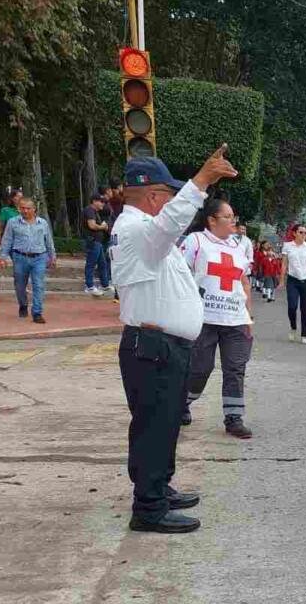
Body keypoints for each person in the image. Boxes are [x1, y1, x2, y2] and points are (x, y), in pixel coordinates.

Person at [110, 145, 238, 533]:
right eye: (168, 196)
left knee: (164, 426)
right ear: (152, 196)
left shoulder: (145, 235)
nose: (172, 208)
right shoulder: (137, 229)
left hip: (163, 345)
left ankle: (159, 489)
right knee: (153, 428)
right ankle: (148, 509)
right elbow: (168, 225)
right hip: (153, 347)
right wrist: (201, 182)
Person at [181, 197, 255, 439]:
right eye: (228, 217)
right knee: (200, 368)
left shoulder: (238, 246)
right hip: (204, 318)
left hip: (235, 319)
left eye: (234, 217)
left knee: (235, 368)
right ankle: (182, 402)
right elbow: (180, 275)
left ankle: (233, 418)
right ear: (211, 220)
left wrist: (248, 316)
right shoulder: (196, 241)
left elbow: (243, 280)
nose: (233, 221)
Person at [0, 198, 56, 324]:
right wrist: (3, 257)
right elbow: (7, 240)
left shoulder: (43, 223)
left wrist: (52, 256)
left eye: (28, 208)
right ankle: (23, 304)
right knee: (20, 285)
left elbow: (49, 240)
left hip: (39, 257)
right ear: (19, 208)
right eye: (22, 208)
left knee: (38, 285)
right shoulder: (13, 222)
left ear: (34, 209)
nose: (25, 210)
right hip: (20, 257)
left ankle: (37, 313)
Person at [280, 224, 306, 344]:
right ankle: (293, 327)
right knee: (292, 306)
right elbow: (284, 264)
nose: (304, 235)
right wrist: (282, 280)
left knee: (305, 308)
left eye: (305, 233)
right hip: (293, 280)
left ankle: (303, 334)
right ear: (294, 233)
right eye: (301, 232)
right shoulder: (287, 246)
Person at [82, 193, 112, 296]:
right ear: (94, 201)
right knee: (91, 263)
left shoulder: (95, 212)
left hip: (97, 242)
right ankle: (89, 286)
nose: (102, 204)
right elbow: (92, 226)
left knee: (102, 263)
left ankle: (105, 284)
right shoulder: (89, 211)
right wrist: (103, 227)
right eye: (101, 202)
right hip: (92, 241)